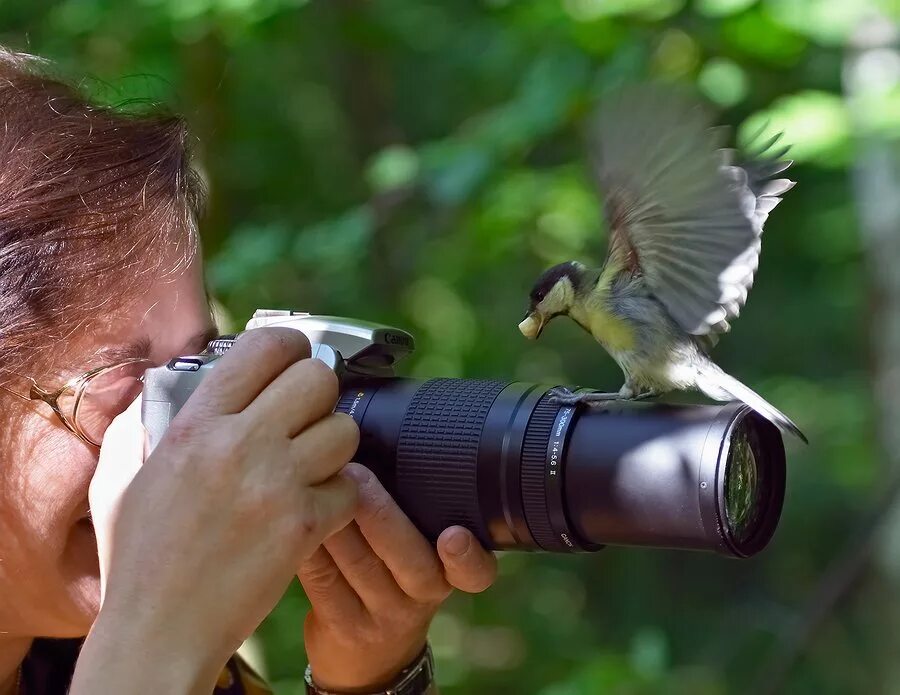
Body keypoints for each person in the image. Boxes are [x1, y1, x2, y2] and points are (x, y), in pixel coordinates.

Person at [0, 48, 497, 695]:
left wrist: (368, 675)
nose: (188, 443)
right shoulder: (148, 645)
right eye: (123, 391)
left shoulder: (89, 659)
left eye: (200, 370)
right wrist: (153, 642)